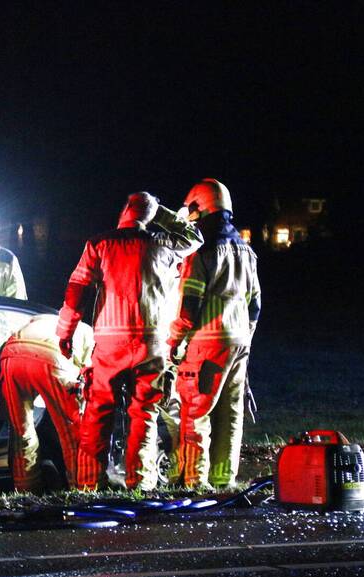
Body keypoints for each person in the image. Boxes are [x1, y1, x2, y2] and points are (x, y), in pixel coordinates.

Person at [56, 192, 202, 491]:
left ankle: (87, 483)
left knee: (98, 412)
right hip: (152, 342)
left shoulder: (99, 244)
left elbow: (77, 289)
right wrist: (160, 213)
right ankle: (141, 481)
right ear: (152, 214)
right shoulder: (164, 244)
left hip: (110, 342)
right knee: (144, 412)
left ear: (124, 210)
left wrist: (65, 331)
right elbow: (194, 237)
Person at [167, 179, 262, 489]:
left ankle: (193, 480)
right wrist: (244, 335)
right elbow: (255, 304)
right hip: (240, 342)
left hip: (208, 342)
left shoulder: (201, 252)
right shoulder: (247, 251)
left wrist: (174, 339)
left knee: (196, 411)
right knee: (231, 414)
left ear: (200, 209)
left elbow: (188, 307)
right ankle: (223, 479)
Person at [0, 314, 94, 492]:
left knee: (21, 432)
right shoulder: (88, 333)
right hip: (50, 356)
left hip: (11, 356)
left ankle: (25, 490)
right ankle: (81, 490)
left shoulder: (39, 319)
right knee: (70, 432)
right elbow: (85, 377)